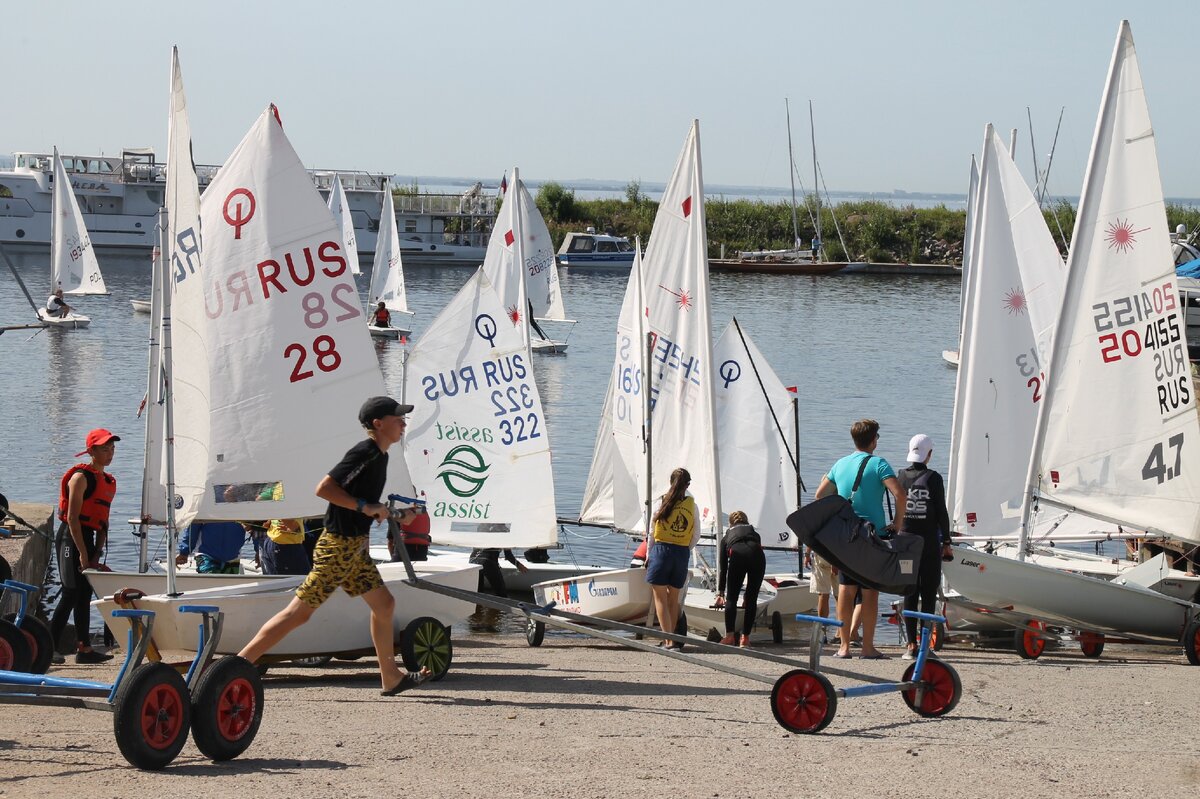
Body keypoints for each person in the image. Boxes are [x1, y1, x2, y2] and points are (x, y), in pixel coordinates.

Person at [237, 396, 429, 695]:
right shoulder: (365, 452)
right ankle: (239, 665)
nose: (403, 423)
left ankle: (390, 676)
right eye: (398, 418)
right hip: (338, 547)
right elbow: (324, 488)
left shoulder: (380, 456)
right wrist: (364, 506)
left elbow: (362, 504)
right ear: (378, 424)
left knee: (385, 604)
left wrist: (394, 514)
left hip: (353, 549)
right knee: (299, 614)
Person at [814, 419, 905, 660]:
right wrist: (897, 523)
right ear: (874, 439)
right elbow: (899, 494)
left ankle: (843, 647)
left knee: (845, 588)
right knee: (870, 591)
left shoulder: (840, 463)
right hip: (871, 535)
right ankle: (867, 648)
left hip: (845, 535)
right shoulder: (878, 463)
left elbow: (820, 495)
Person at [50, 428, 119, 664]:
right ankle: (48, 648)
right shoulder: (79, 478)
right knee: (70, 592)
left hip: (88, 538)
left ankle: (85, 650)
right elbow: (72, 519)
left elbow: (103, 521)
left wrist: (96, 552)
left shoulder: (107, 481)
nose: (109, 453)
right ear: (91, 452)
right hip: (71, 538)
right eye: (104, 449)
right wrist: (81, 552)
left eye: (112, 448)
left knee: (84, 594)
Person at [895, 434, 952, 659]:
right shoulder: (934, 478)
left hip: (905, 542)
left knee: (910, 590)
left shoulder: (900, 476)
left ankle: (910, 645)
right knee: (928, 594)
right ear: (929, 454)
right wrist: (946, 541)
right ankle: (925, 646)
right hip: (927, 544)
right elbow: (941, 513)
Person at [646, 467, 695, 649]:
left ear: (670, 482)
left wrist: (650, 554)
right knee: (673, 599)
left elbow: (652, 532)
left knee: (659, 598)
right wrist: (684, 548)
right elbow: (696, 534)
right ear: (688, 485)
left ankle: (668, 641)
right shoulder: (693, 506)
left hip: (661, 551)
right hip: (681, 553)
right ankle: (671, 640)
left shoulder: (661, 502)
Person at [713, 510, 766, 647]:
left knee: (732, 598)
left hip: (738, 557)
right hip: (758, 557)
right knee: (751, 599)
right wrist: (747, 597)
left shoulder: (726, 538)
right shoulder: (755, 534)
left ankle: (730, 636)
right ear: (746, 522)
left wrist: (721, 593)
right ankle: (745, 638)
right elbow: (754, 549)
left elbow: (723, 568)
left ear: (730, 524)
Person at [176, 520, 249, 574]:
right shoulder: (205, 503)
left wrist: (258, 551)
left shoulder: (242, 503)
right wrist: (184, 552)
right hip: (206, 556)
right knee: (209, 586)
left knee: (230, 591)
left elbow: (255, 526)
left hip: (233, 558)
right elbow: (192, 528)